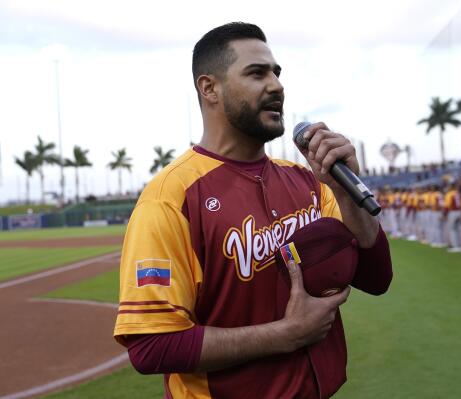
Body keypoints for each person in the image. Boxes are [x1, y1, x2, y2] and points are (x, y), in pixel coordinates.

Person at [113, 22, 392, 399]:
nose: (276, 85)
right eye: (257, 73)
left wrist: (343, 192)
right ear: (209, 88)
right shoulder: (170, 197)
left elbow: (376, 280)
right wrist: (285, 335)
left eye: (277, 73)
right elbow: (151, 347)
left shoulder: (309, 181)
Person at [444, 181, 461, 252]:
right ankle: (459, 245)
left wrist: (445, 214)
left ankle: (455, 245)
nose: (448, 187)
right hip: (459, 211)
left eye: (449, 186)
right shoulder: (458, 193)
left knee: (452, 230)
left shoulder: (449, 194)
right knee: (458, 229)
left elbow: (447, 206)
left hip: (453, 212)